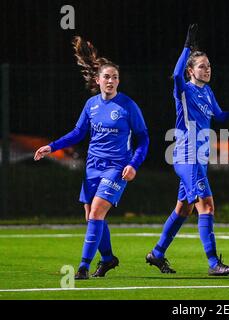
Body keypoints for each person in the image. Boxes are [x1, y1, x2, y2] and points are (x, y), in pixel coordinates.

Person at [34, 36, 149, 280]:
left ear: (119, 81)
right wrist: (51, 146)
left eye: (115, 77)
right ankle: (108, 259)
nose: (111, 81)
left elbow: (144, 139)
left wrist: (133, 164)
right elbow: (78, 133)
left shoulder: (128, 106)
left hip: (116, 168)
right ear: (97, 80)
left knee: (96, 214)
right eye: (106, 77)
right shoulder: (91, 105)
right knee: (92, 217)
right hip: (92, 168)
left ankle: (84, 267)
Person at [145, 24, 229, 276]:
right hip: (186, 155)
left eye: (209, 65)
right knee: (207, 206)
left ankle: (156, 253)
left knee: (183, 209)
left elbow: (219, 116)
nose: (207, 69)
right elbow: (175, 76)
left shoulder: (207, 91)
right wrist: (187, 46)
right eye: (202, 66)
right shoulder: (184, 90)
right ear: (191, 70)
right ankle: (213, 264)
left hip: (199, 158)